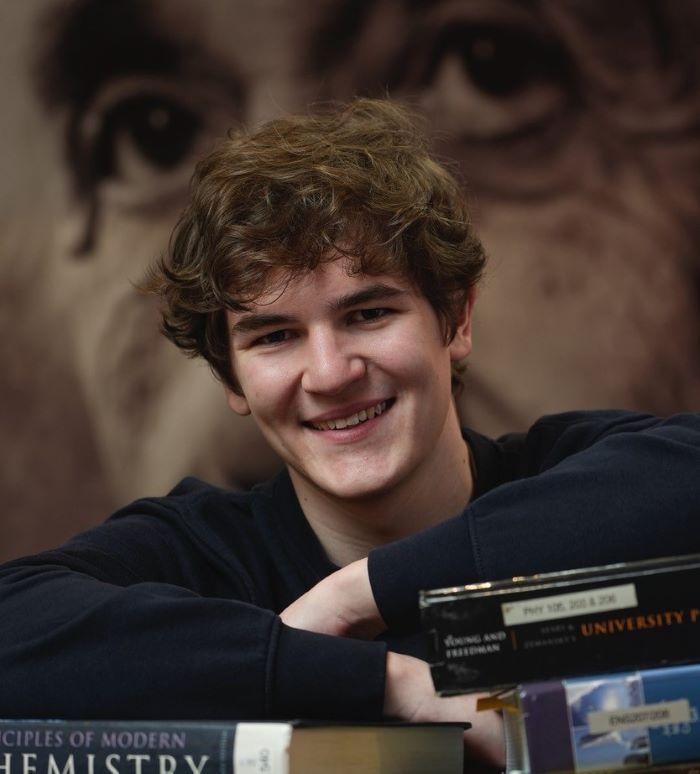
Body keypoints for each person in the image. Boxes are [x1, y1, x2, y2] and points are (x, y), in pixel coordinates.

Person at [1, 99, 698, 767]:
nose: (331, 373)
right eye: (275, 336)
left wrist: (363, 594)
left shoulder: (569, 472)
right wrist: (383, 682)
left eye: (368, 314)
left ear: (456, 319)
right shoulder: (203, 554)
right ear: (232, 380)